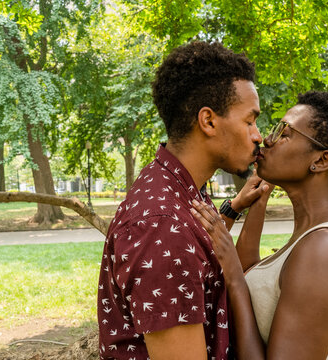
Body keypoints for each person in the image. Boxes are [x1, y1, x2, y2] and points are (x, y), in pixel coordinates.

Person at [97, 41, 272, 360]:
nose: (258, 135)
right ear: (208, 121)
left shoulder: (178, 183)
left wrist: (235, 206)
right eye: (249, 121)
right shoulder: (162, 228)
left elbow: (200, 259)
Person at [191, 91, 328, 359]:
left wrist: (233, 277)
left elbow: (239, 277)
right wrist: (259, 201)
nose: (266, 139)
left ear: (321, 160)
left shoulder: (327, 249)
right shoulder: (311, 231)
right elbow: (251, 272)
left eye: (284, 133)